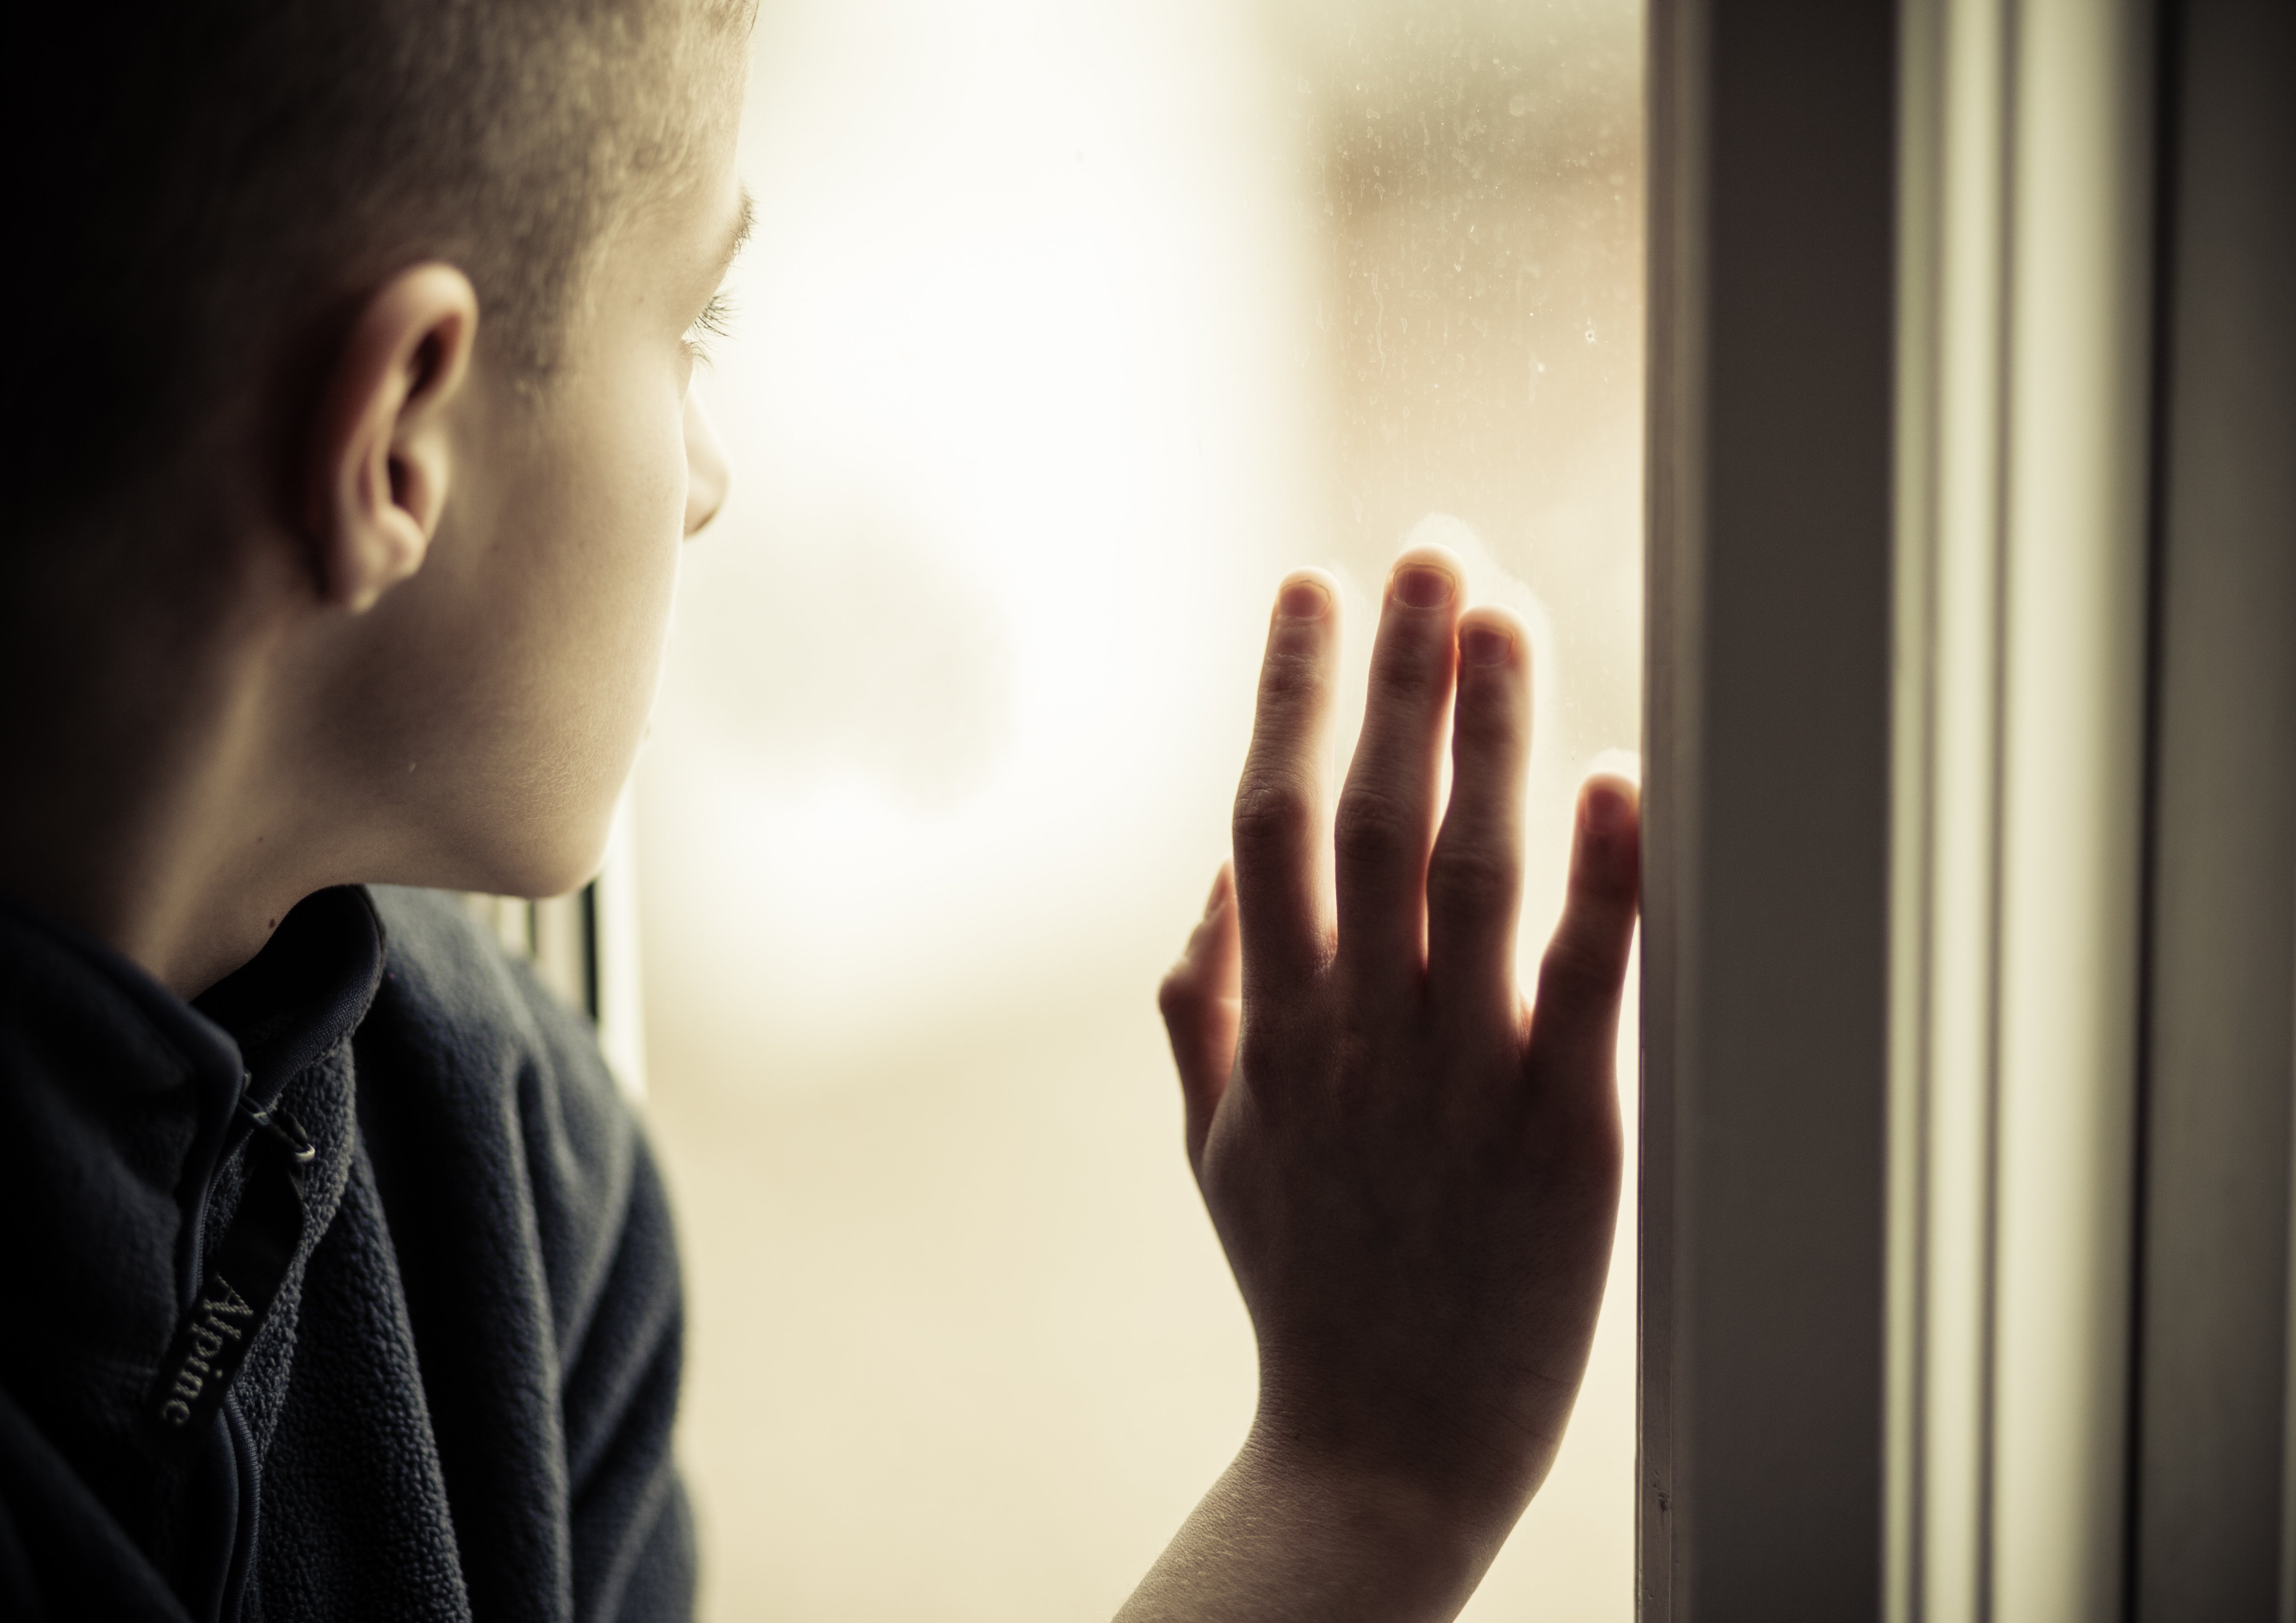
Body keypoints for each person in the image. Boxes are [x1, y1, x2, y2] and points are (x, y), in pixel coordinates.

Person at [0, 0, 1642, 1616]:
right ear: (399, 446)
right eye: (695, 332)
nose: (710, 480)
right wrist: (1364, 1483)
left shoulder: (508, 1145)